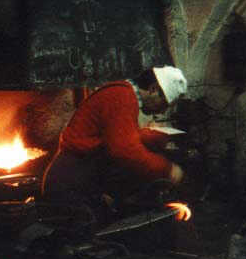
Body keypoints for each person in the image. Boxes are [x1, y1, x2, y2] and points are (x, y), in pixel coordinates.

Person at [41, 65, 188, 222]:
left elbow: (117, 135)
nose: (162, 112)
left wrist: (155, 137)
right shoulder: (121, 97)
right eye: (165, 104)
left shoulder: (123, 94)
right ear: (153, 89)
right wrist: (168, 169)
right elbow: (125, 151)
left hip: (78, 178)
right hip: (70, 184)